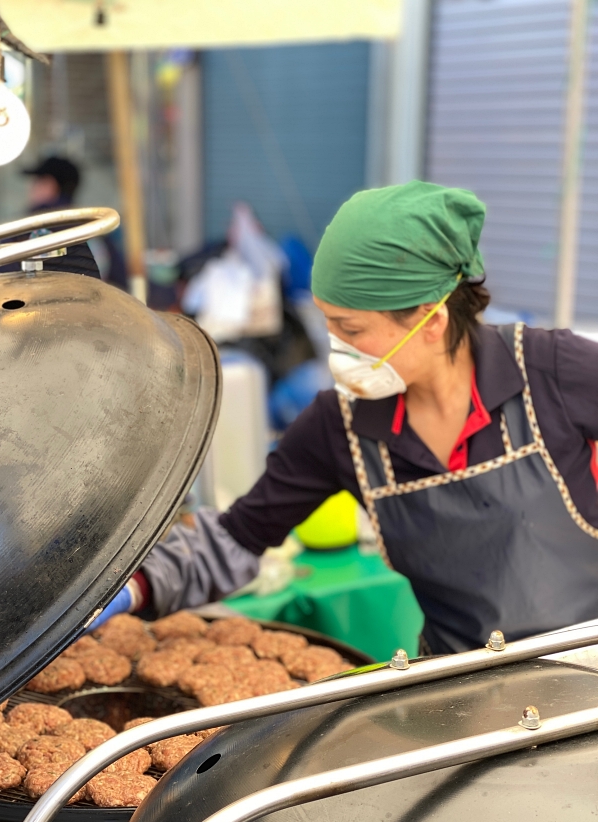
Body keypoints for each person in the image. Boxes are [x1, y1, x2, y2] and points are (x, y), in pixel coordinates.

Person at [96, 181, 598, 655]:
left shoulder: (552, 371)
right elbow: (236, 538)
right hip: (461, 691)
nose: (339, 350)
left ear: (432, 319)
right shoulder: (341, 426)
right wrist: (127, 589)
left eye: (352, 329)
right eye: (330, 327)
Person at [0, 155, 100, 278]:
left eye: (36, 182)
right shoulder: (98, 231)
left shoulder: (25, 231)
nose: (30, 189)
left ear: (49, 185)